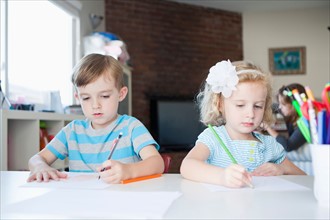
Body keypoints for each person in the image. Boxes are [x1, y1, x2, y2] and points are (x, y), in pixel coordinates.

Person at [27, 54, 164, 183]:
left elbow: (157, 163)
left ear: (121, 94)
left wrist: (129, 171)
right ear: (78, 98)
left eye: (104, 96)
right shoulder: (72, 131)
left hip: (122, 201)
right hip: (83, 202)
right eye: (86, 98)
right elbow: (36, 159)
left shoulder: (131, 127)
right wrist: (40, 167)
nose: (95, 105)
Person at [180, 60, 305, 188]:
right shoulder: (213, 138)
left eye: (258, 106)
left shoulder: (269, 145)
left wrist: (281, 169)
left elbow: (304, 177)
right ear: (220, 105)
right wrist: (222, 176)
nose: (250, 114)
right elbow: (187, 166)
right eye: (240, 105)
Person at [261, 83, 307, 152]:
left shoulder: (305, 123)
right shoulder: (290, 116)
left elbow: (288, 146)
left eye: (283, 104)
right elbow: (272, 107)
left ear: (294, 104)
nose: (279, 107)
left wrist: (267, 127)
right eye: (279, 103)